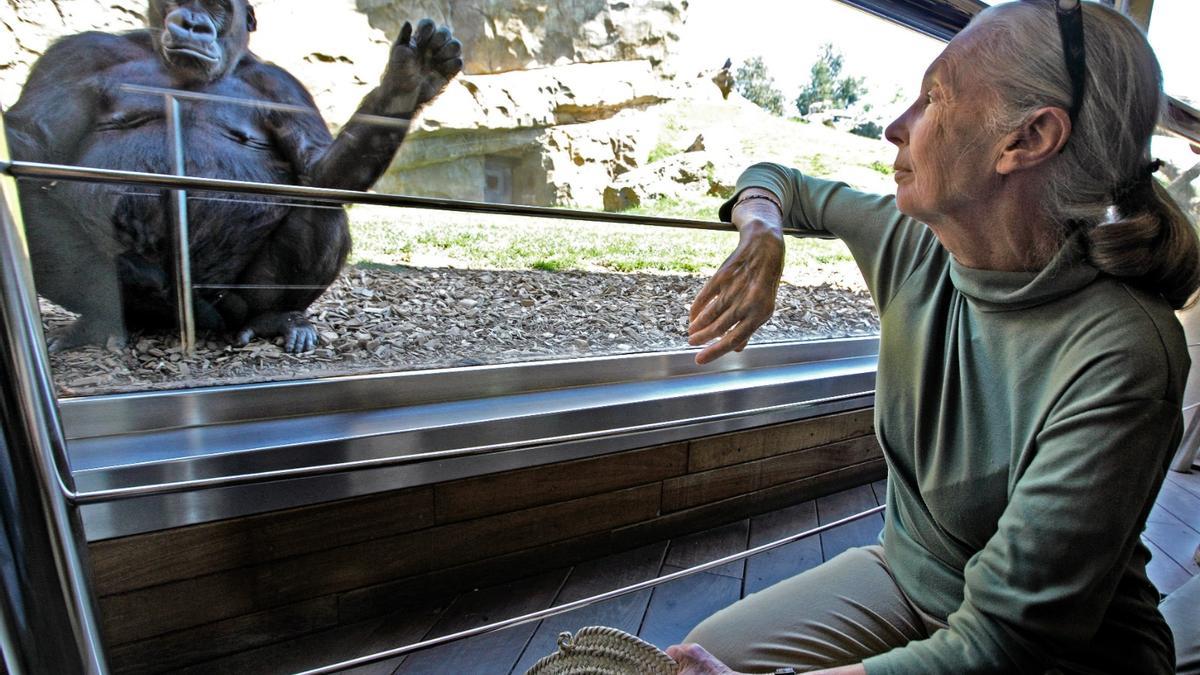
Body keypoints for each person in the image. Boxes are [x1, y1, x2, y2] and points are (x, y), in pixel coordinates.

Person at [667, 1, 1200, 673]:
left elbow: (1001, 642)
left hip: (1057, 654)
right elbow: (777, 181)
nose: (896, 126)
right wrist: (762, 229)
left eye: (934, 98)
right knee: (704, 654)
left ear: (1027, 139)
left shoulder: (1123, 353)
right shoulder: (913, 244)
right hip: (907, 575)